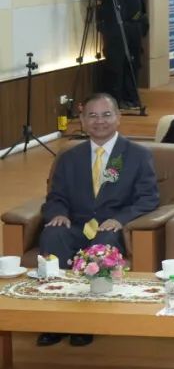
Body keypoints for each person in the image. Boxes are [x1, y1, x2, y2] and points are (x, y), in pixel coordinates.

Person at [37, 92, 160, 348]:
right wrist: (58, 213)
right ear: (82, 120)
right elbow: (56, 196)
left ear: (118, 117)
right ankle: (55, 319)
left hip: (111, 228)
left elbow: (148, 198)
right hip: (76, 225)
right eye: (92, 116)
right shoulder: (69, 157)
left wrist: (120, 219)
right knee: (53, 234)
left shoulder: (137, 155)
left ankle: (87, 322)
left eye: (106, 115)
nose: (99, 121)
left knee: (103, 245)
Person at [94, 0, 147, 108]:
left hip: (134, 27)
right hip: (116, 28)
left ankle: (131, 97)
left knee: (133, 62)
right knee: (117, 64)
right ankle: (116, 99)